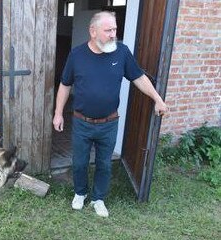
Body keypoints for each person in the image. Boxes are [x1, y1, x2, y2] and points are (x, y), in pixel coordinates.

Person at [52, 11, 167, 217]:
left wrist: (157, 98)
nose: (113, 34)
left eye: (115, 29)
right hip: (81, 122)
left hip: (109, 122)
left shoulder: (121, 52)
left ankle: (98, 198)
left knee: (104, 163)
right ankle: (80, 193)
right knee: (79, 162)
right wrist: (58, 113)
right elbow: (65, 85)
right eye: (108, 30)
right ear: (93, 31)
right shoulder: (77, 55)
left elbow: (139, 78)